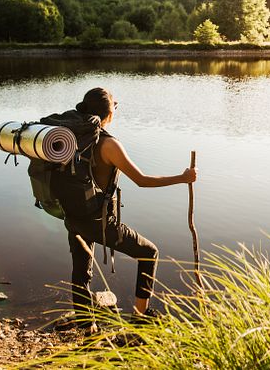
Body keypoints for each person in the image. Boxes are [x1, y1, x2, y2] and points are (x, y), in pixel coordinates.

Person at [64, 87, 197, 322]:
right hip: (100, 222)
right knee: (149, 253)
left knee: (81, 271)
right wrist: (182, 177)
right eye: (115, 105)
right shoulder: (109, 145)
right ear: (109, 113)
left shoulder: (71, 134)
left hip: (73, 214)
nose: (116, 109)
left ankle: (86, 326)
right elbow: (142, 181)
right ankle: (140, 315)